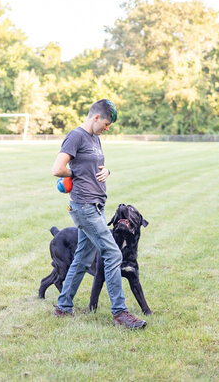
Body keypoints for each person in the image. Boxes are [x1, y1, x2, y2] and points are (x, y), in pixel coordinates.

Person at [51, 99, 147, 329]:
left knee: (83, 258)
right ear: (95, 117)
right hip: (84, 206)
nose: (107, 128)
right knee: (113, 254)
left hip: (97, 206)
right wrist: (75, 173)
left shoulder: (95, 139)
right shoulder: (76, 136)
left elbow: (96, 166)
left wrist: (107, 171)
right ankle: (120, 313)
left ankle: (63, 307)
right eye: (106, 123)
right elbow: (57, 168)